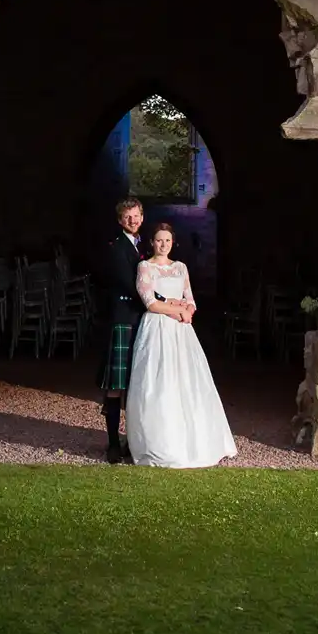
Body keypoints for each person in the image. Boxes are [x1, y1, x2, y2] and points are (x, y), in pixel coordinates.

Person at [125, 222, 238, 468]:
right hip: (157, 328)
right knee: (158, 381)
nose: (163, 245)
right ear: (152, 242)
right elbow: (150, 302)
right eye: (158, 240)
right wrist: (175, 312)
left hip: (181, 332)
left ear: (172, 242)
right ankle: (158, 442)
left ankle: (197, 439)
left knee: (187, 379)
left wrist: (188, 311)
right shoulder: (145, 267)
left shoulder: (181, 267)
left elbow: (191, 298)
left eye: (167, 240)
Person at [95, 196, 146, 464]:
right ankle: (113, 444)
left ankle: (134, 441)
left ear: (142, 217)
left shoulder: (143, 246)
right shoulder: (116, 248)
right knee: (116, 386)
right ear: (120, 220)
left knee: (138, 385)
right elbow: (132, 285)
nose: (133, 220)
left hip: (141, 320)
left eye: (136, 215)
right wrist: (163, 303)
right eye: (128, 217)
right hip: (123, 319)